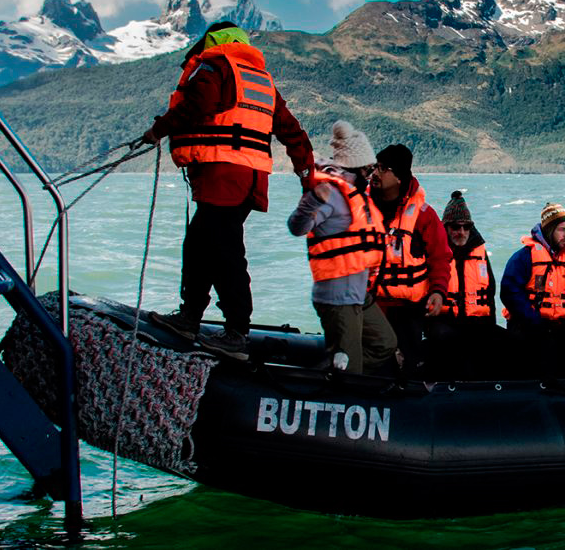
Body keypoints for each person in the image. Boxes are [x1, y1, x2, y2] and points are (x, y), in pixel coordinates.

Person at [145, 22, 313, 361]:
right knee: (201, 245)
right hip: (248, 180)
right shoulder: (262, 81)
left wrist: (158, 129)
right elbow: (292, 130)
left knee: (223, 250)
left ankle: (235, 331)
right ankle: (191, 317)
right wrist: (305, 172)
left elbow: (199, 104)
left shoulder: (215, 66)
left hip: (223, 175)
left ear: (211, 41)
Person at [287, 121, 395, 375]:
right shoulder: (330, 195)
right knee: (351, 371)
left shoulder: (358, 197)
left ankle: (329, 367)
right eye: (368, 170)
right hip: (337, 298)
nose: (371, 175)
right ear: (355, 168)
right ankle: (334, 375)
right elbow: (297, 226)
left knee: (385, 344)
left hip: (359, 294)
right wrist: (314, 200)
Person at [369, 144, 452, 376]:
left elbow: (440, 256)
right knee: (374, 363)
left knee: (410, 364)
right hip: (370, 303)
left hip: (410, 308)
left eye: (383, 168)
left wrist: (438, 291)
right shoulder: (360, 207)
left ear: (399, 177)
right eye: (375, 166)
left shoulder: (424, 215)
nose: (375, 173)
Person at [500, 202, 565, 378]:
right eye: (562, 230)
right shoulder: (524, 257)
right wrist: (533, 320)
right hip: (531, 323)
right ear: (549, 229)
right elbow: (510, 292)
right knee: (540, 347)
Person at [428, 190, 514, 378]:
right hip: (445, 321)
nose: (461, 232)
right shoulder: (435, 251)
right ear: (446, 227)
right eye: (456, 227)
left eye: (466, 227)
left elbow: (490, 293)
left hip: (477, 322)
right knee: (450, 343)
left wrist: (490, 326)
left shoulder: (479, 252)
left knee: (509, 343)